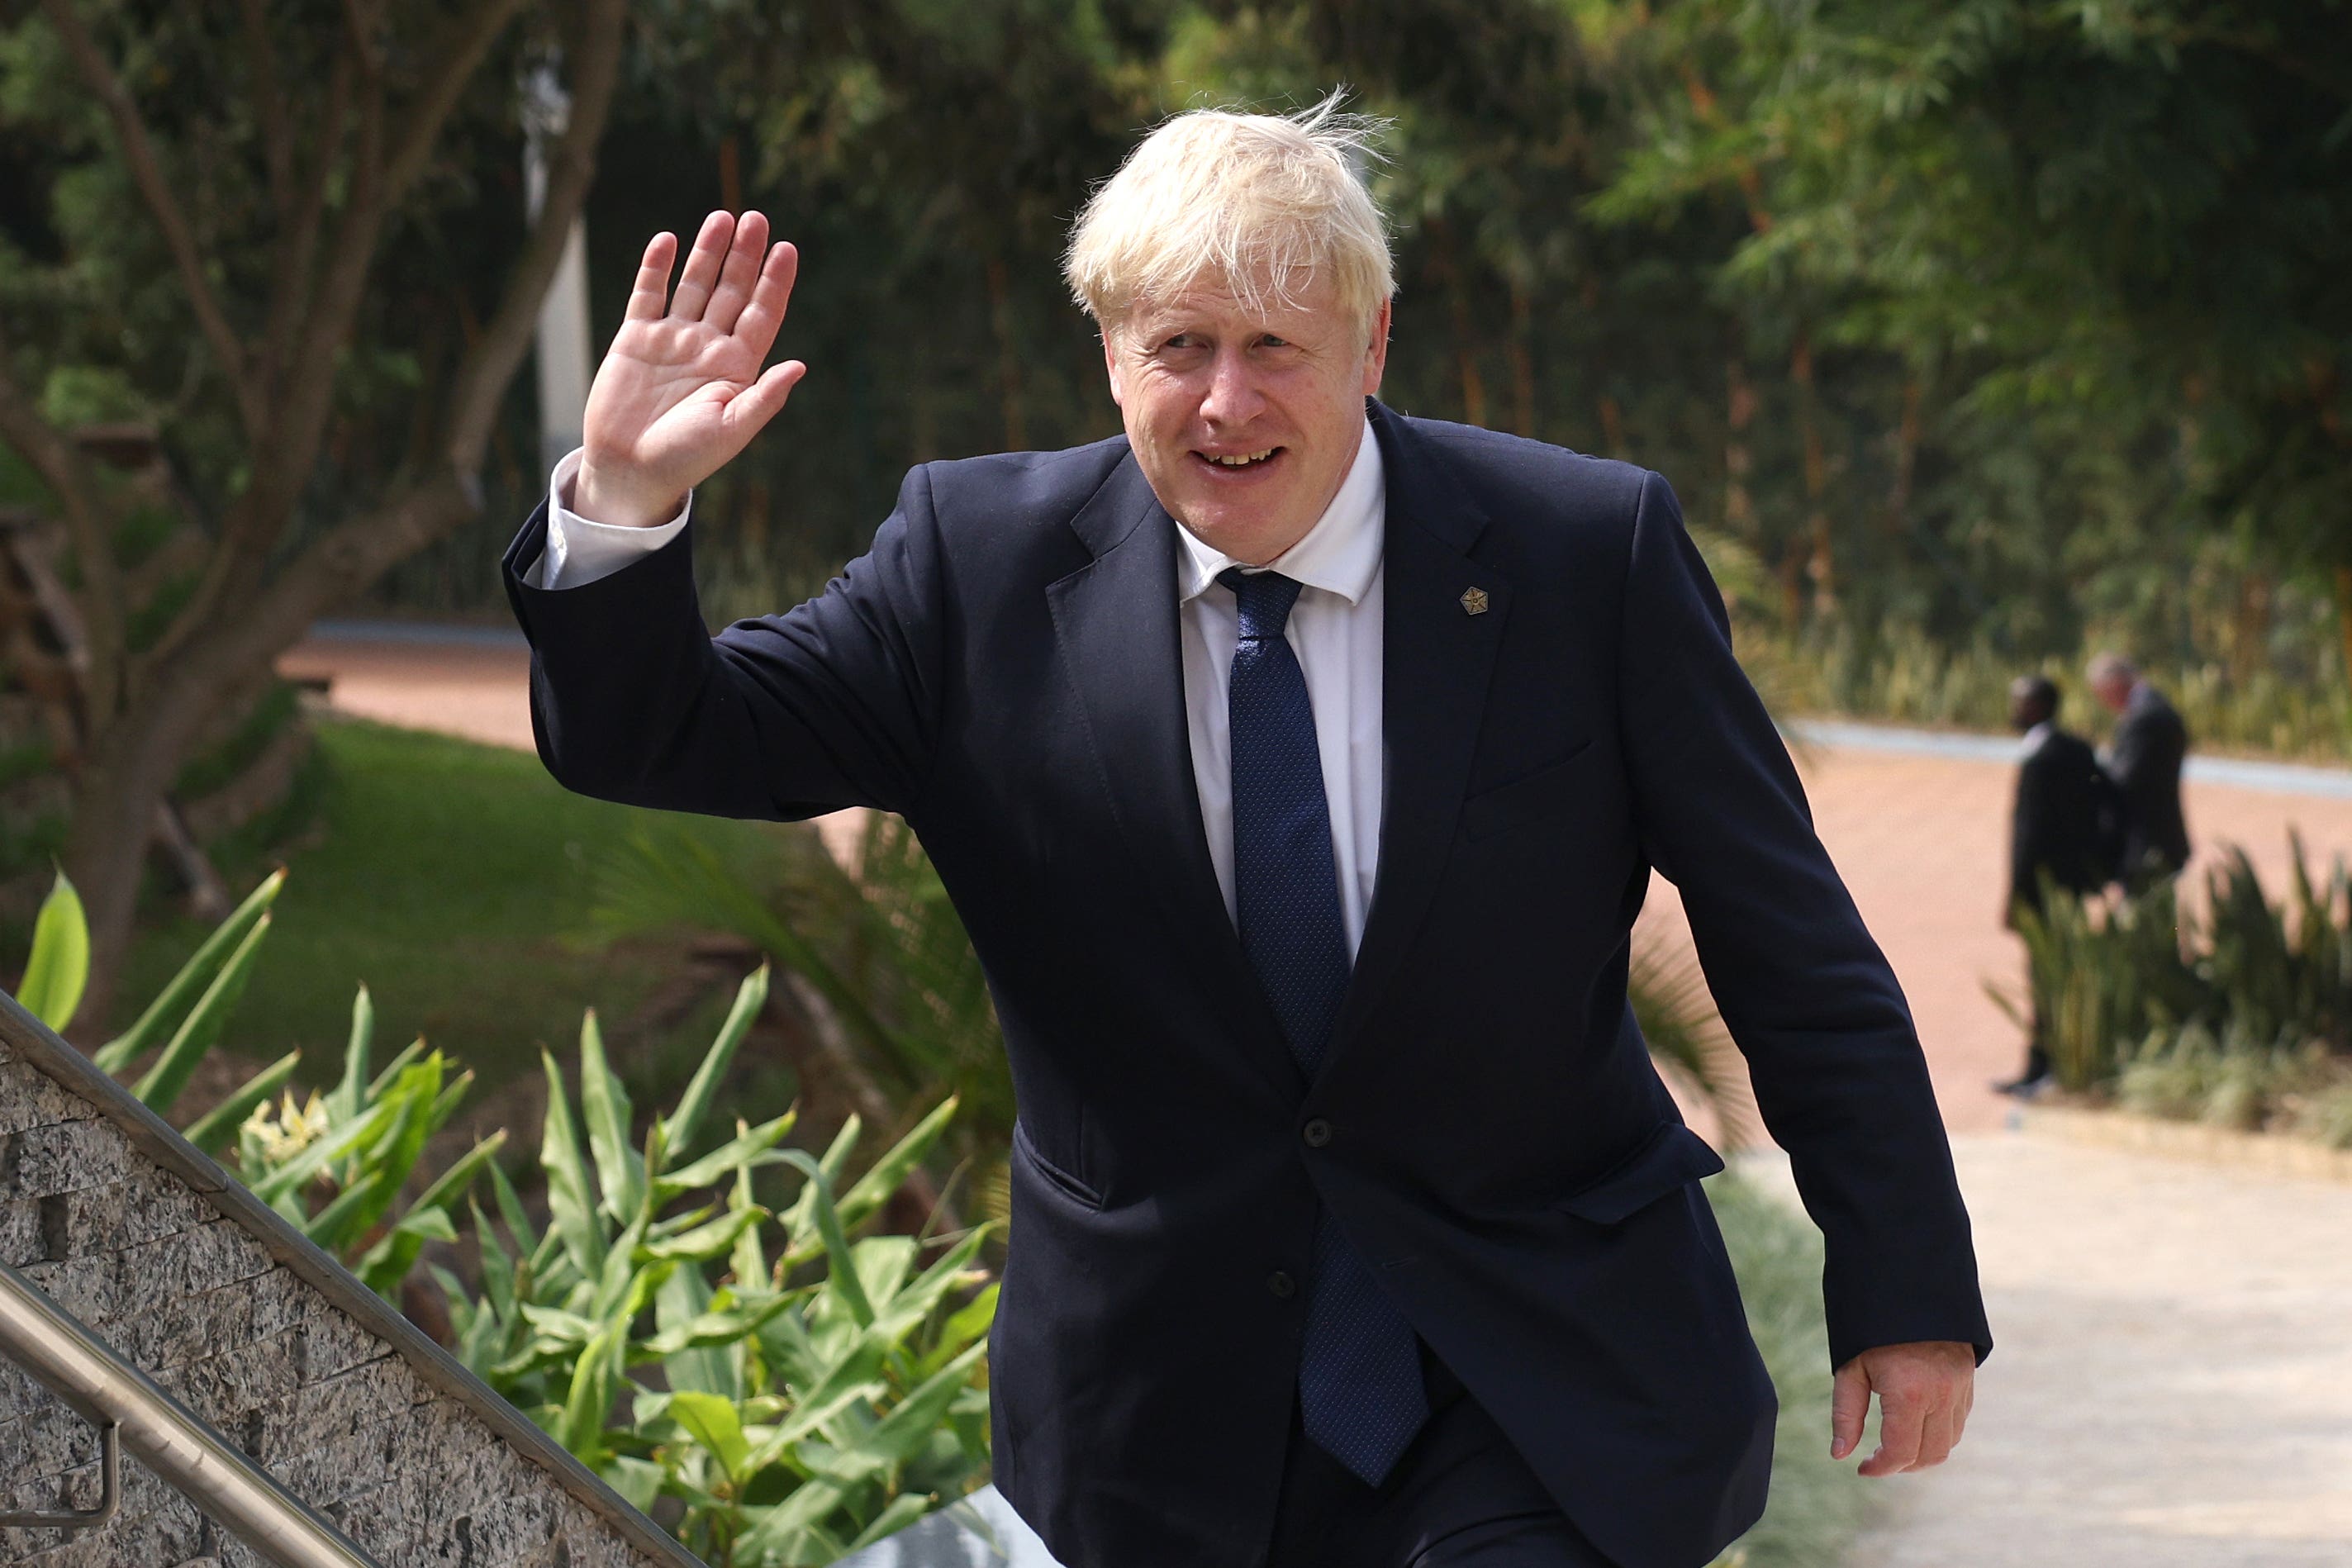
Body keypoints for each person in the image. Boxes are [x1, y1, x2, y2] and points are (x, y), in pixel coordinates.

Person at [501, 103, 1988, 1568]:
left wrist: (1903, 1280)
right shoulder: (976, 566)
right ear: (1109, 351)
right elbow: (667, 734)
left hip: (1534, 1377)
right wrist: (624, 501)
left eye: (1275, 346)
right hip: (1159, 1412)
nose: (1227, 403)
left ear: (1371, 341)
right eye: (1178, 347)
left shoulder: (1579, 554)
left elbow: (1781, 930)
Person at [1995, 674, 2119, 1095]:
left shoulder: (2044, 758)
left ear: (2036, 707)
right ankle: (2042, 1067)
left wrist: (2017, 898)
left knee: (2046, 979)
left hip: (2044, 895)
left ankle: (2043, 1069)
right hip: (2070, 890)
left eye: (2020, 702)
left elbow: (2029, 839)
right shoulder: (2077, 750)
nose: (2013, 710)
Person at [2088, 651, 2191, 885]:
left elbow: (2125, 781)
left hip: (2147, 846)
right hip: (2158, 842)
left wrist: (2088, 774)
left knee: (2143, 918)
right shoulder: (2152, 705)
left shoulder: (2145, 716)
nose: (2101, 701)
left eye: (2099, 692)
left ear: (2112, 684)